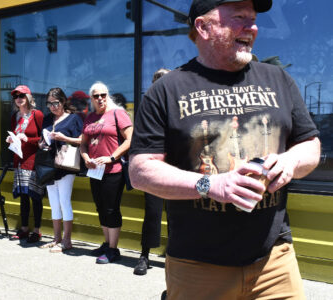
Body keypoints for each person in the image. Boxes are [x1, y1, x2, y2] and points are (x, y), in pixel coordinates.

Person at [129, 0, 321, 298]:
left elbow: (310, 144)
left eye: (253, 19)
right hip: (196, 267)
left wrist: (291, 161)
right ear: (203, 27)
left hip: (275, 261)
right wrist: (211, 184)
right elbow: (141, 171)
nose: (252, 27)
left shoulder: (278, 79)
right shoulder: (166, 90)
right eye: (239, 18)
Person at [80, 82, 133, 264]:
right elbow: (83, 143)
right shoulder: (90, 117)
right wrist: (86, 157)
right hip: (95, 171)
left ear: (107, 95)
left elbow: (129, 140)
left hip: (113, 170)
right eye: (96, 96)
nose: (100, 98)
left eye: (103, 95)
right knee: (100, 207)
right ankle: (106, 243)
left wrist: (112, 157)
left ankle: (113, 249)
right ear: (91, 98)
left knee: (111, 208)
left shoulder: (118, 113)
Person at [133, 67, 171, 276]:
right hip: (154, 167)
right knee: (153, 212)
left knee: (176, 214)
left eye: (164, 80)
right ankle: (144, 255)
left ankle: (175, 256)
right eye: (157, 81)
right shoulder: (147, 108)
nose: (161, 84)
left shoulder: (178, 106)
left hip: (176, 167)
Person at [38, 88, 83, 253]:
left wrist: (64, 138)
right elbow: (42, 139)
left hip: (65, 165)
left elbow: (81, 140)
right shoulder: (47, 119)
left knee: (64, 201)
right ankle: (57, 238)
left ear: (63, 101)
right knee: (54, 203)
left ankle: (67, 240)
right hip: (49, 164)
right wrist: (41, 144)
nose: (52, 107)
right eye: (49, 103)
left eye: (55, 103)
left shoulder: (73, 119)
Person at [6, 85, 44, 243]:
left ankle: (37, 230)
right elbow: (14, 134)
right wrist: (11, 139)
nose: (19, 99)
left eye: (22, 95)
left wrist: (28, 139)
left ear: (28, 97)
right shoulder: (15, 116)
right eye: (16, 96)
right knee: (23, 196)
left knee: (35, 196)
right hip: (19, 160)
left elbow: (44, 139)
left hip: (33, 161)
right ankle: (24, 229)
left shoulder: (37, 114)